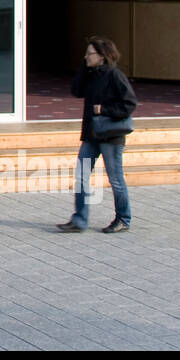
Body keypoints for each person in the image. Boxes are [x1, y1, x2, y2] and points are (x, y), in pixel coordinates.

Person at [58, 36, 137, 233]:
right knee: (82, 176)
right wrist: (84, 67)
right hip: (91, 136)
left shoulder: (115, 76)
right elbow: (76, 91)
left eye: (90, 53)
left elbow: (129, 104)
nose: (86, 56)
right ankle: (79, 220)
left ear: (102, 56)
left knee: (115, 179)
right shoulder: (91, 75)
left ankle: (123, 219)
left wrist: (104, 110)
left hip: (111, 136)